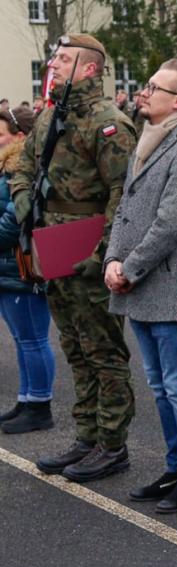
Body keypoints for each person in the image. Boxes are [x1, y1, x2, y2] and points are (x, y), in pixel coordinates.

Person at [11, 34, 137, 482]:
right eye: (55, 58)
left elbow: (123, 198)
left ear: (89, 69)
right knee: (75, 347)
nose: (55, 65)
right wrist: (24, 198)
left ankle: (112, 445)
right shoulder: (51, 115)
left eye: (65, 59)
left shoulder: (109, 123)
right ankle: (86, 437)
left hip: (87, 249)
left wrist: (104, 253)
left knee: (104, 351)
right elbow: (23, 164)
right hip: (52, 245)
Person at [104, 58, 177, 514]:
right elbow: (126, 212)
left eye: (155, 87)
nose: (144, 92)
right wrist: (112, 258)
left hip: (169, 289)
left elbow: (169, 226)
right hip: (142, 286)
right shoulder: (148, 142)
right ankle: (175, 467)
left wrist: (128, 268)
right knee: (161, 388)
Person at [0, 105, 56, 434]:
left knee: (33, 339)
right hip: (7, 266)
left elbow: (15, 216)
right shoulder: (7, 168)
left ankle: (40, 405)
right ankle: (26, 399)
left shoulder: (23, 168)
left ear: (20, 136)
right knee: (22, 339)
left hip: (22, 266)